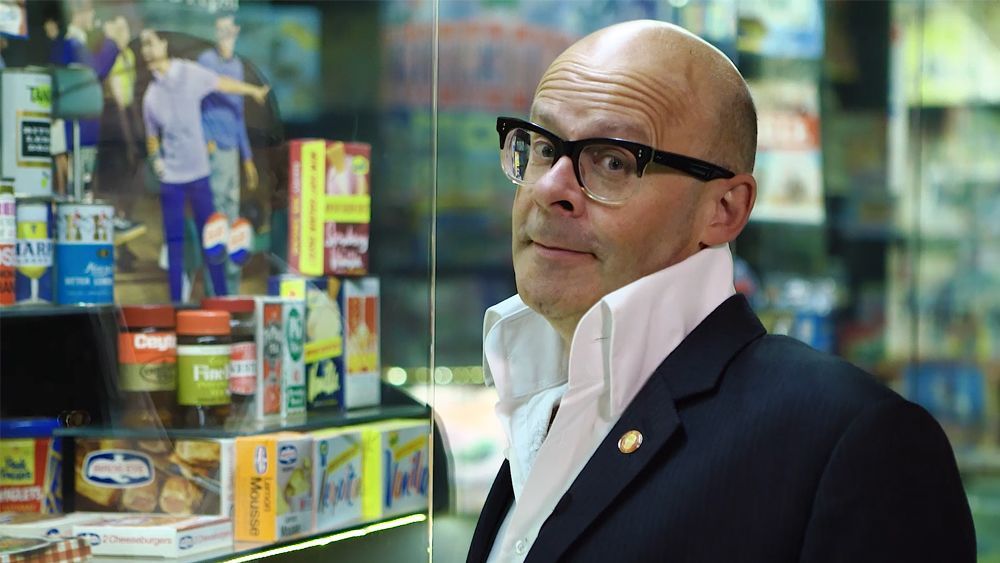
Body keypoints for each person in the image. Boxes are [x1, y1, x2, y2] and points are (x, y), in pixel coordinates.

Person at [467, 20, 975, 563]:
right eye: (543, 147)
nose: (549, 190)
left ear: (725, 209)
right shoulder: (538, 392)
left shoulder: (852, 443)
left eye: (612, 161)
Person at [139, 28, 268, 302]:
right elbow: (151, 136)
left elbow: (221, 83)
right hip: (171, 180)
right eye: (143, 46)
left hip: (199, 175)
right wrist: (157, 161)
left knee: (213, 239)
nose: (146, 50)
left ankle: (220, 299)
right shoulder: (150, 96)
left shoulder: (188, 73)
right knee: (175, 243)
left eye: (151, 44)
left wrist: (253, 90)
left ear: (164, 44)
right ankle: (176, 302)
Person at [197, 13, 259, 294]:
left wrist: (247, 158)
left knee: (233, 221)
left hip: (232, 152)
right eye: (220, 31)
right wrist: (206, 139)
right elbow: (196, 102)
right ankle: (215, 291)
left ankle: (230, 292)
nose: (225, 36)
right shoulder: (207, 62)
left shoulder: (238, 65)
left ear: (235, 32)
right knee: (215, 224)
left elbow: (238, 115)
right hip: (214, 153)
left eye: (229, 31)